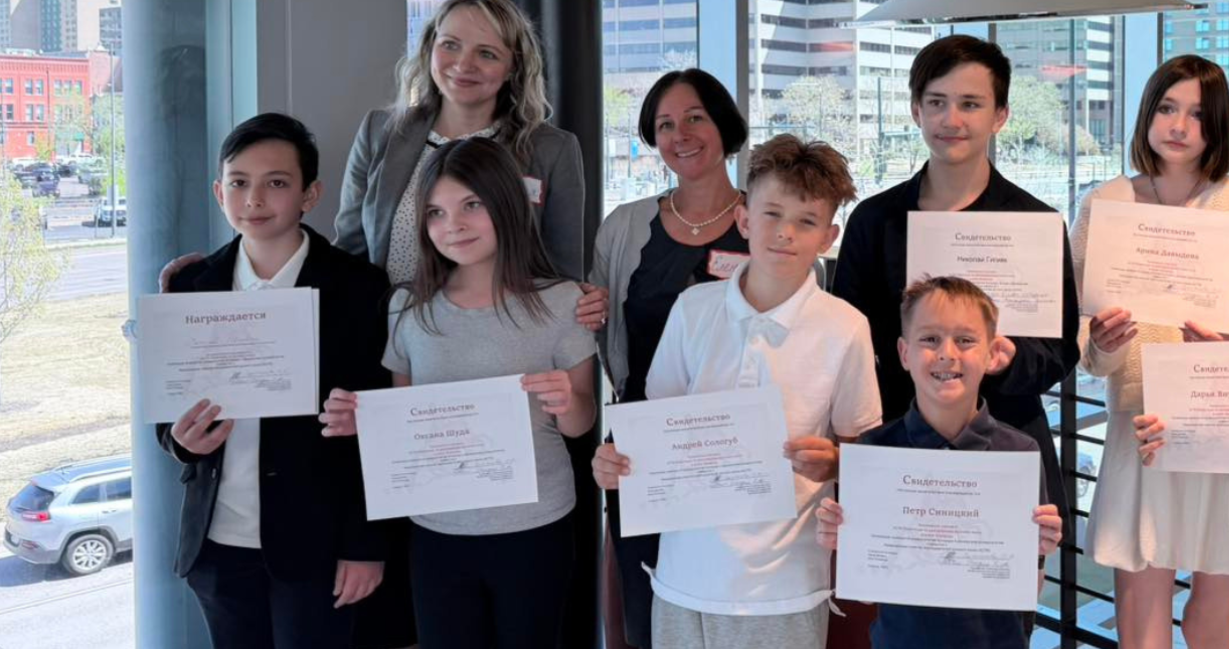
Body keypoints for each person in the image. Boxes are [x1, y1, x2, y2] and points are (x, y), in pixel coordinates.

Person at [589, 135, 882, 649]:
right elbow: (656, 428)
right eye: (771, 214)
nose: (785, 233)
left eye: (806, 221)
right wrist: (615, 463)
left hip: (785, 586)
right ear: (744, 219)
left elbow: (865, 449)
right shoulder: (692, 309)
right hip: (682, 574)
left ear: (828, 236)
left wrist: (837, 462)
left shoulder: (846, 327)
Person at [320, 138, 599, 648]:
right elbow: (405, 422)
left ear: (506, 203)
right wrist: (366, 422)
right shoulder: (408, 308)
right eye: (436, 212)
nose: (454, 225)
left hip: (536, 526)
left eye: (472, 204)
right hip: (437, 531)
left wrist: (569, 401)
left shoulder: (561, 302)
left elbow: (582, 425)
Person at [156, 113, 392, 648]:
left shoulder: (359, 288)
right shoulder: (191, 285)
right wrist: (180, 442)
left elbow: (378, 427)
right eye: (239, 182)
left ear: (310, 195)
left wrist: (364, 544)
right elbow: (166, 414)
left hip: (321, 545)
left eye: (276, 183)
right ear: (219, 191)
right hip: (217, 543)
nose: (254, 199)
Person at [830, 34, 1080, 538]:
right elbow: (847, 337)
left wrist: (1009, 360)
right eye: (937, 103)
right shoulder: (875, 220)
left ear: (1000, 115)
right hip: (899, 445)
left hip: (1004, 440)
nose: (952, 120)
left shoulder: (1036, 222)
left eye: (971, 104)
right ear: (916, 111)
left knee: (1002, 606)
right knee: (899, 605)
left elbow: (1059, 350)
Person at [1072, 55, 1229, 649]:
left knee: (1213, 609)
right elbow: (1081, 325)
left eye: (1197, 114)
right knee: (1139, 608)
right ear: (1147, 114)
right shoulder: (1106, 202)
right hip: (1139, 425)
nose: (1179, 126)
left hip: (1219, 427)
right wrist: (1100, 344)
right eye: (1167, 108)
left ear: (1219, 127)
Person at [587, 68, 749, 649]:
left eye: (695, 117)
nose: (680, 134)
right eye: (664, 124)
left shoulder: (769, 222)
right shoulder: (625, 227)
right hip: (643, 448)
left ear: (723, 124)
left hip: (739, 450)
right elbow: (603, 338)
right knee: (647, 603)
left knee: (732, 606)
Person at [814, 276, 1063, 649]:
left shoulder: (1020, 453)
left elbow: (1030, 588)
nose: (947, 353)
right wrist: (845, 546)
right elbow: (867, 595)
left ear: (993, 353)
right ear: (904, 353)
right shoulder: (874, 452)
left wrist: (1039, 549)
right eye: (929, 339)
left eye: (965, 340)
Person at [335, 0, 588, 282]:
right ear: (430, 48)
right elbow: (348, 254)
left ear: (513, 68)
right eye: (451, 45)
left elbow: (563, 276)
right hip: (386, 322)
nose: (464, 64)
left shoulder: (552, 150)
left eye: (487, 53)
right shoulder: (380, 132)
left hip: (501, 326)